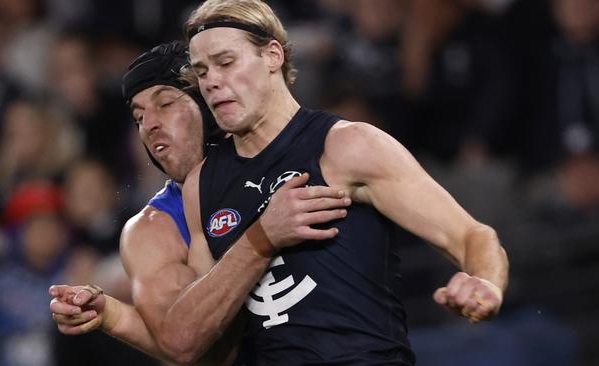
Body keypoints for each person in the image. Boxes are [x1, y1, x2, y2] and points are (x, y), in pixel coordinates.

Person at [153, 0, 510, 365]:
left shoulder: (348, 146)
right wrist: (261, 239)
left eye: (226, 63)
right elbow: (185, 342)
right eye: (201, 71)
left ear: (273, 55)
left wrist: (485, 283)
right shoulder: (202, 185)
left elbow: (473, 236)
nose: (211, 81)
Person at [49, 40, 348, 364]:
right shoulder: (150, 230)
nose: (148, 125)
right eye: (138, 116)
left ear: (207, 105)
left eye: (165, 104)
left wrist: (117, 317)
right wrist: (262, 237)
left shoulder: (297, 162)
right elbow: (189, 346)